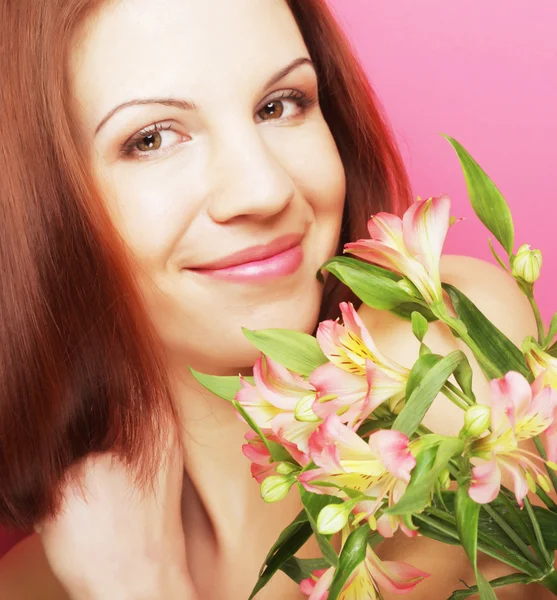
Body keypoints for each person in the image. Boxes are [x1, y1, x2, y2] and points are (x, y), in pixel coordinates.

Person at [0, 0, 549, 598]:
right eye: (152, 138)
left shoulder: (440, 348)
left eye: (279, 105)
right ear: (34, 211)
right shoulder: (31, 583)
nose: (264, 190)